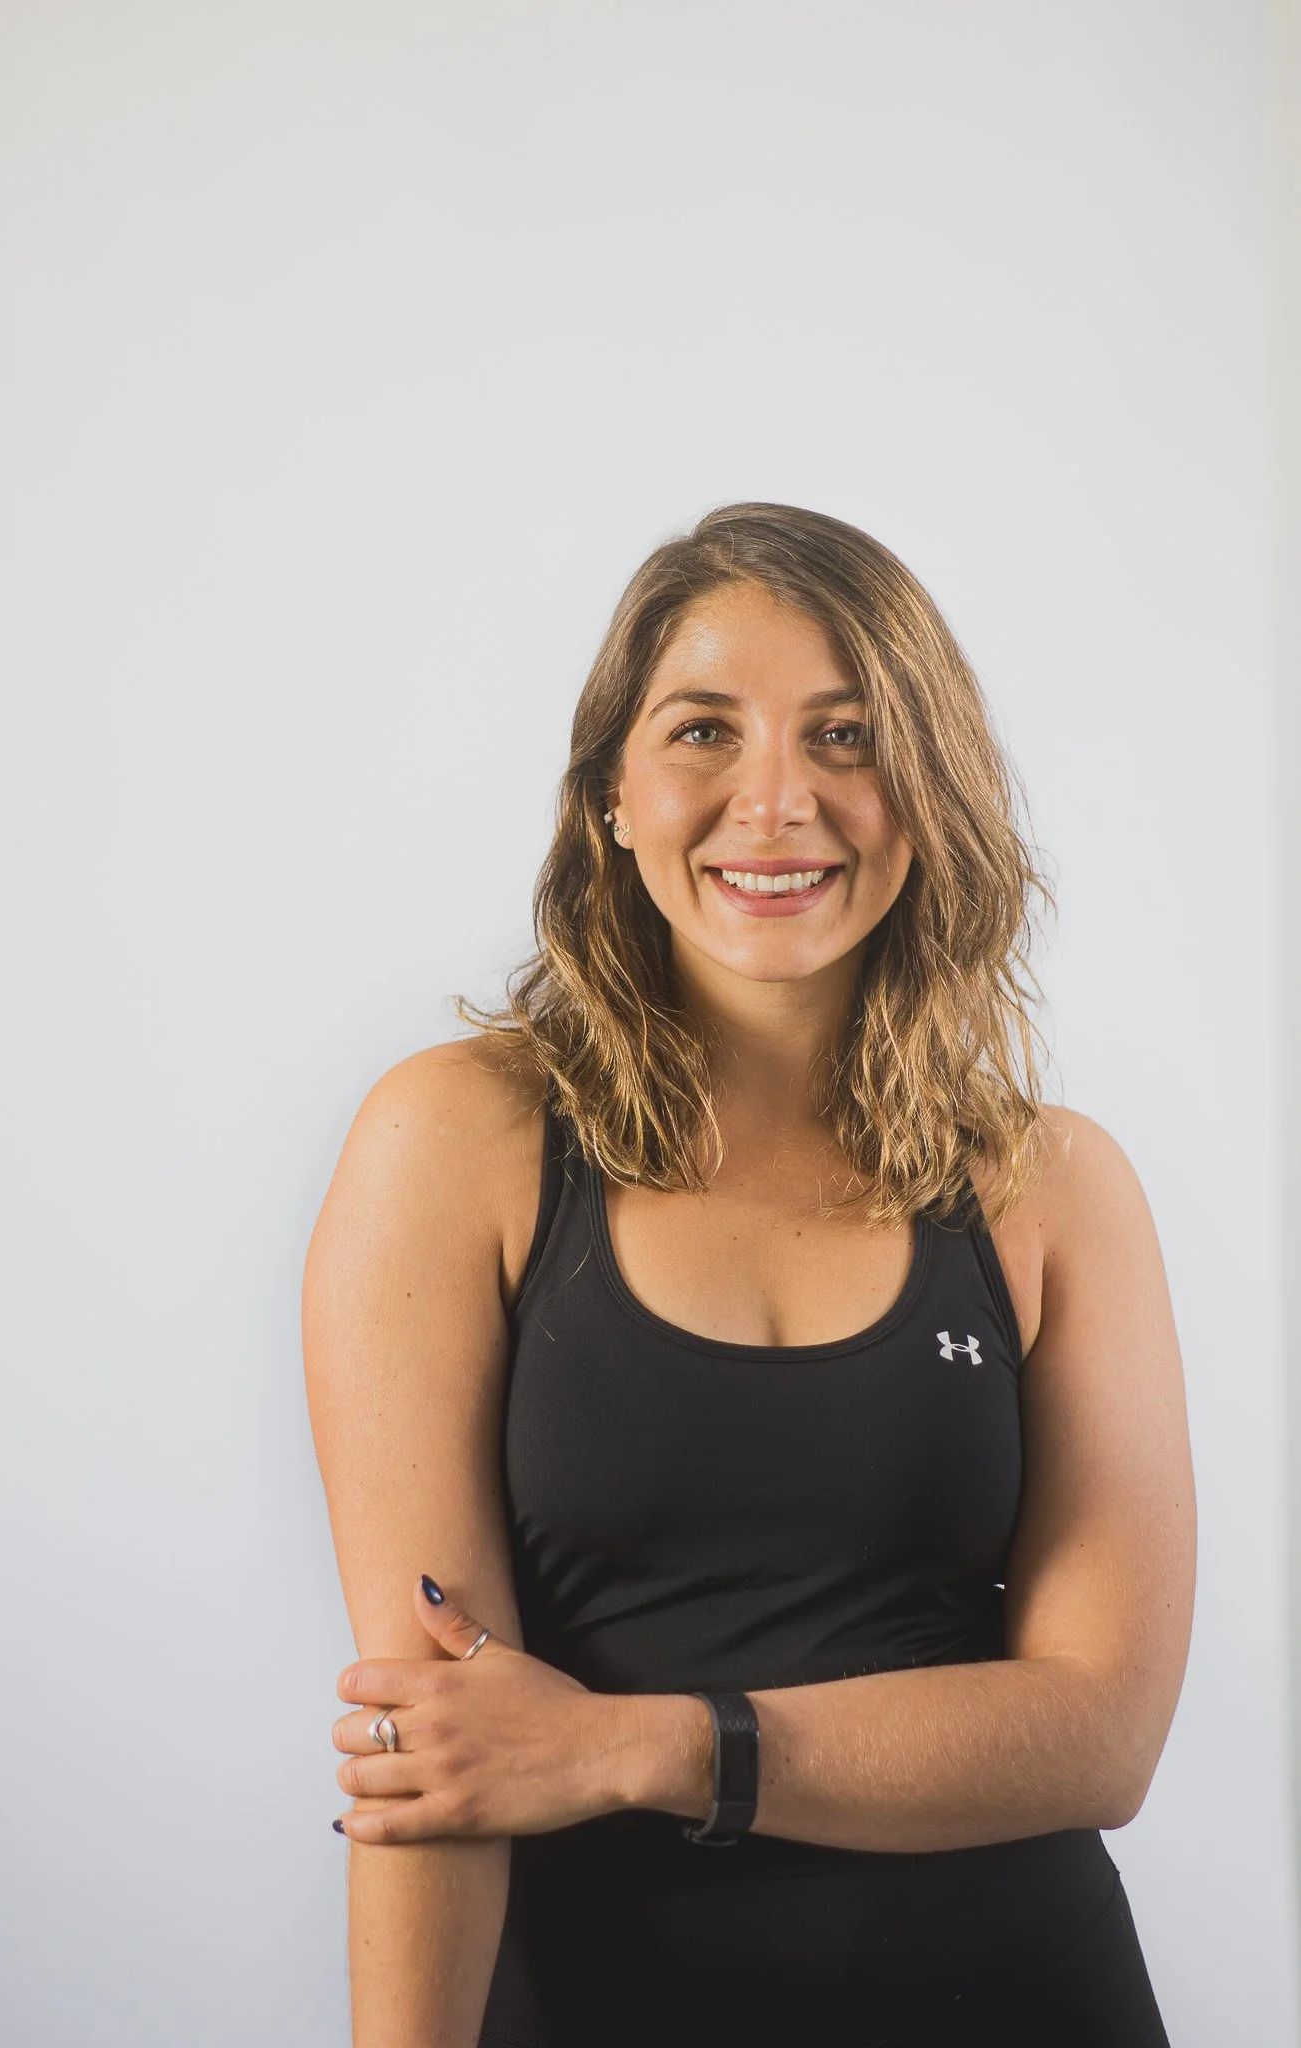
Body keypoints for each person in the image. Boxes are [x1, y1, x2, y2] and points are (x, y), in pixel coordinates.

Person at [302, 503, 1194, 2047]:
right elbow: (429, 1739)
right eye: (703, 731)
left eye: (847, 737)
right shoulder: (455, 1142)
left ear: (928, 795)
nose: (774, 802)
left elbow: (1099, 1735)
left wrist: (635, 1747)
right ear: (612, 796)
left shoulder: (1048, 1186)